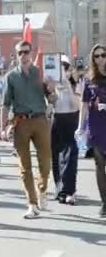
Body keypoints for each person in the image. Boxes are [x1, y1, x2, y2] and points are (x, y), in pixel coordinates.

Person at [1, 41, 57, 219]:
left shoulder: (40, 73)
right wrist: (2, 127)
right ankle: (32, 204)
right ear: (16, 56)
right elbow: (5, 104)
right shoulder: (11, 77)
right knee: (25, 167)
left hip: (40, 120)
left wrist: (52, 90)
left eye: (26, 52)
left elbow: (52, 99)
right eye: (20, 53)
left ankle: (42, 190)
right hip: (21, 122)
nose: (23, 56)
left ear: (31, 54)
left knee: (46, 162)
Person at [77, 44, 106, 217]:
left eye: (103, 55)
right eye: (97, 56)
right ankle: (104, 202)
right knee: (99, 164)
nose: (100, 58)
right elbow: (84, 105)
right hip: (95, 127)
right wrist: (80, 127)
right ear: (93, 59)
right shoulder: (89, 80)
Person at [51, 55, 81, 205]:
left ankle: (69, 190)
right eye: (60, 66)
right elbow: (49, 103)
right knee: (55, 155)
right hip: (55, 120)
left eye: (66, 66)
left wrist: (68, 86)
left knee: (70, 156)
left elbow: (78, 104)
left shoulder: (75, 84)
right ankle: (59, 188)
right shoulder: (51, 83)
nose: (63, 69)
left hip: (71, 119)